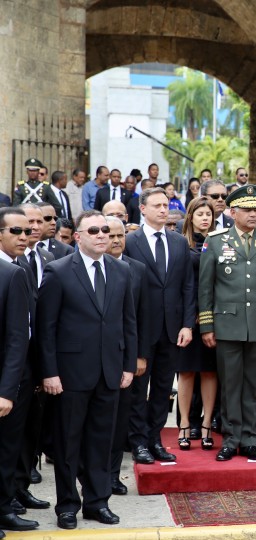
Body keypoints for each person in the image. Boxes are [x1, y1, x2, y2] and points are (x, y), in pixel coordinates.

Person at [38, 210, 137, 530]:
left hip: (110, 371)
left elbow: (128, 323)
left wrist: (128, 365)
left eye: (106, 230)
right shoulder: (59, 271)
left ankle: (97, 502)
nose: (101, 235)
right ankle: (67, 505)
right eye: (93, 230)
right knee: (68, 442)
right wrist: (49, 372)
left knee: (101, 441)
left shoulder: (121, 272)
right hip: (70, 373)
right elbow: (46, 328)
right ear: (78, 236)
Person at [198, 185, 256, 462]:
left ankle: (250, 438)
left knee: (253, 386)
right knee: (230, 384)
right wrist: (207, 325)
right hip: (227, 324)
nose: (253, 214)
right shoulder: (215, 241)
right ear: (232, 212)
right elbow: (205, 287)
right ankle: (231, 438)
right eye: (247, 210)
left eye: (255, 210)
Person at [124, 188, 195, 466]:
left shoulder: (178, 242)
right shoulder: (131, 241)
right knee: (139, 389)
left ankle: (155, 439)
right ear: (143, 209)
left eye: (166, 205)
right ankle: (138, 441)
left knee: (164, 388)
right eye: (157, 205)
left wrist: (188, 324)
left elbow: (187, 287)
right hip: (142, 328)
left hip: (172, 327)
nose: (163, 210)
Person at [104, 217, 148, 496]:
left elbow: (141, 318)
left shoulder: (138, 270)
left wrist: (139, 357)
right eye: (112, 235)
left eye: (122, 235)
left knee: (121, 420)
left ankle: (112, 476)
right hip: (92, 356)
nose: (117, 240)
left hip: (124, 357)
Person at [0, 209, 37, 535]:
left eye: (27, 230)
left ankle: (4, 508)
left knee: (8, 448)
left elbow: (17, 338)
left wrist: (6, 390)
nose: (24, 236)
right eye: (16, 230)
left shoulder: (13, 272)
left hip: (7, 382)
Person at [177, 198, 218, 452]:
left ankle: (206, 425)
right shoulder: (182, 245)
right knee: (187, 371)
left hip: (214, 317)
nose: (205, 218)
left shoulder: (220, 242)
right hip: (189, 317)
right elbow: (182, 285)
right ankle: (183, 423)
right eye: (200, 214)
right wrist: (188, 317)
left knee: (210, 372)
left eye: (209, 214)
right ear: (190, 216)